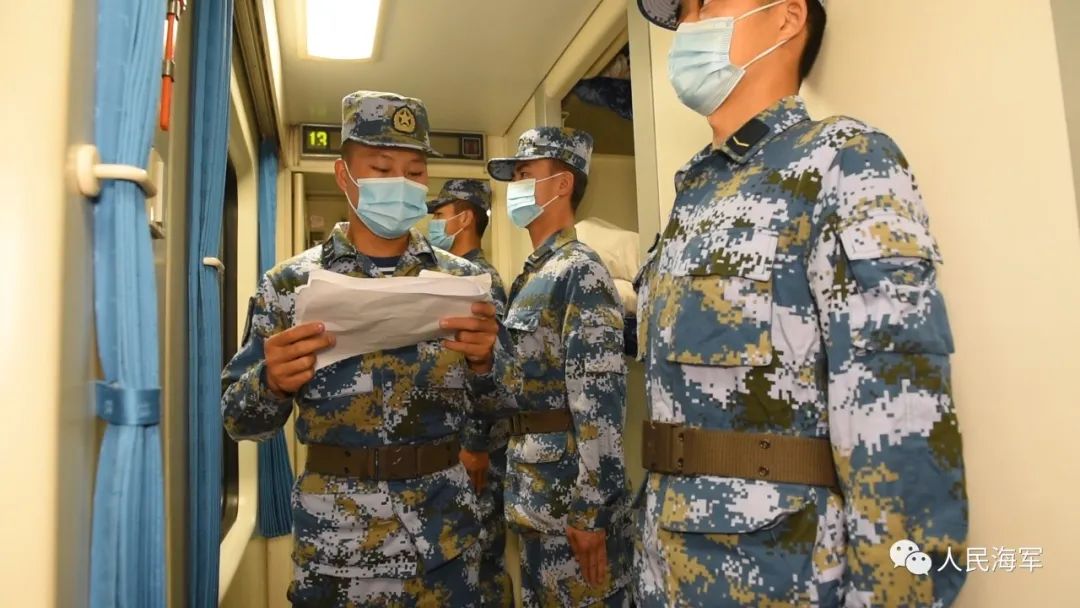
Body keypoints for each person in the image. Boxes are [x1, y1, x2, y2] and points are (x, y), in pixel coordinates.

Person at [633, 1, 968, 606]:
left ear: (786, 18)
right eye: (683, 12)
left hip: (778, 573)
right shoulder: (696, 192)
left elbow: (899, 409)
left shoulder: (842, 159)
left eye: (706, 3)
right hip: (668, 565)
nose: (688, 23)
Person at [221, 90, 503, 608]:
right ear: (344, 175)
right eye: (381, 168)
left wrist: (487, 364)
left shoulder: (466, 284)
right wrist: (271, 383)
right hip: (337, 547)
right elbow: (239, 421)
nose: (401, 183)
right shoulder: (288, 285)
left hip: (442, 541)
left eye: (415, 172)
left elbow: (502, 414)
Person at [486, 127, 634, 607]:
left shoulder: (579, 270)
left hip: (572, 510)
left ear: (563, 183)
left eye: (525, 174)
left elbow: (600, 401)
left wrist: (592, 509)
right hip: (536, 502)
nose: (515, 187)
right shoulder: (534, 275)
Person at [427, 179, 512, 607]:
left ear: (464, 219)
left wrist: (477, 444)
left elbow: (492, 368)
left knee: (482, 558)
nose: (433, 224)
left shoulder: (479, 280)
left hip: (475, 451)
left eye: (440, 215)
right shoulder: (445, 275)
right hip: (451, 445)